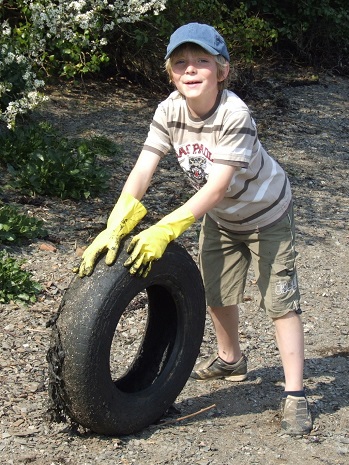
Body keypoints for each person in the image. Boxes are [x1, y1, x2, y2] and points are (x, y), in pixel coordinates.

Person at [76, 23, 313, 436]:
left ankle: (295, 394)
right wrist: (117, 220)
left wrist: (165, 229)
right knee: (217, 292)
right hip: (221, 217)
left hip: (267, 215)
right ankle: (230, 359)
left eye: (201, 61)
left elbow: (218, 185)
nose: (190, 69)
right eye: (180, 62)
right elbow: (144, 167)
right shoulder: (169, 109)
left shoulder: (234, 114)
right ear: (170, 73)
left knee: (279, 300)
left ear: (222, 71)